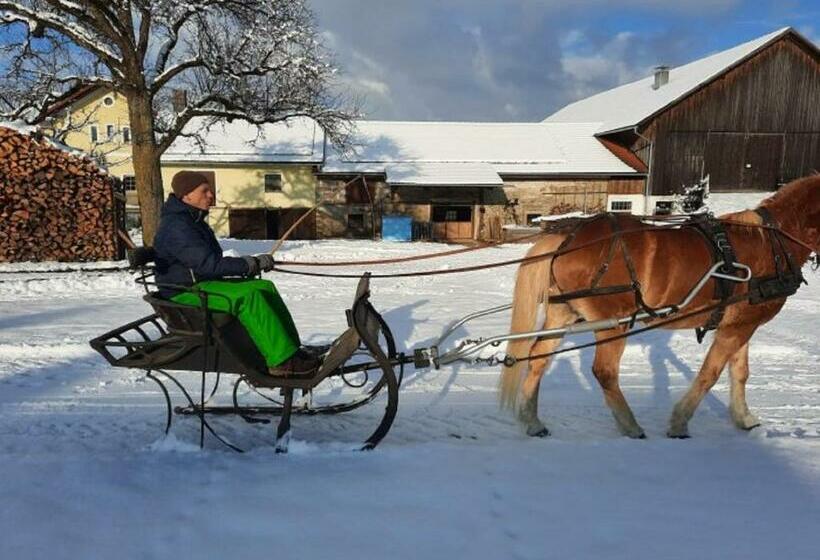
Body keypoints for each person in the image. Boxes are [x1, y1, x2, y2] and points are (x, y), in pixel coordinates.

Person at [152, 171, 320, 376]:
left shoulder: (192, 221)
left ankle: (290, 350)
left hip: (202, 283)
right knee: (249, 298)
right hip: (185, 291)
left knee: (264, 287)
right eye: (204, 191)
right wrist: (250, 264)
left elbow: (208, 264)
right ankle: (282, 363)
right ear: (186, 195)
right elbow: (208, 265)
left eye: (209, 190)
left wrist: (253, 263)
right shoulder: (177, 226)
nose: (211, 195)